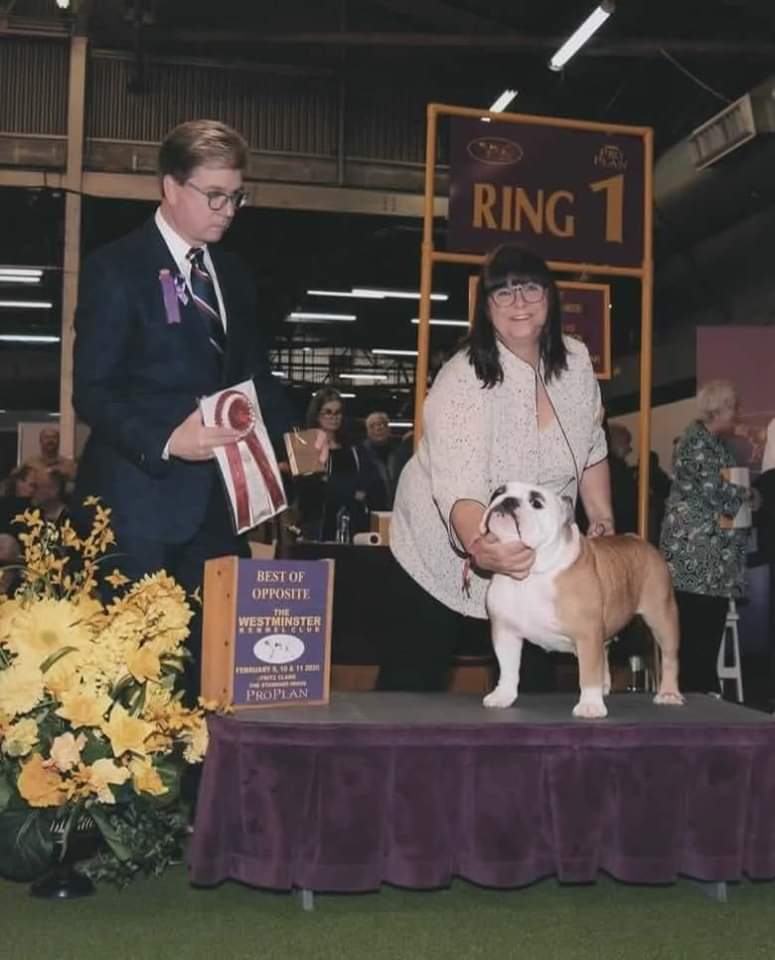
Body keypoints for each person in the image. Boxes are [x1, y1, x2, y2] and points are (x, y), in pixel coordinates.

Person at [72, 118, 319, 700]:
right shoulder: (115, 268)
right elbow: (92, 391)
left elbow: (251, 375)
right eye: (215, 195)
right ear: (170, 187)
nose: (228, 209)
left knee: (213, 680)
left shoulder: (231, 273)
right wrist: (167, 440)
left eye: (237, 196)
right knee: (133, 687)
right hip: (135, 511)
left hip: (217, 510)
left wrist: (295, 436)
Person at [381, 243, 612, 691]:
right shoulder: (461, 379)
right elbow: (459, 485)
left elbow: (593, 448)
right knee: (410, 692)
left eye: (530, 289)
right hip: (440, 555)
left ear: (551, 296)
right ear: (486, 308)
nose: (519, 303)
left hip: (539, 558)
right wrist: (479, 544)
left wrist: (602, 519)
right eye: (503, 293)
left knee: (535, 696)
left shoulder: (578, 361)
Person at [660, 379, 750, 694]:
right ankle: (695, 690)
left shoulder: (714, 443)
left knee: (707, 623)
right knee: (697, 624)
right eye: (734, 407)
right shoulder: (698, 443)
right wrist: (750, 497)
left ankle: (702, 687)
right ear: (719, 409)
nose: (737, 413)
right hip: (695, 557)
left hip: (711, 559)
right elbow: (718, 494)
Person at [295, 388, 385, 541]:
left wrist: (330, 482)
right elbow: (309, 490)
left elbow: (373, 481)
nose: (333, 417)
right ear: (317, 415)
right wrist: (351, 491)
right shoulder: (304, 445)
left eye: (338, 412)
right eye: (328, 412)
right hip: (317, 529)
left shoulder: (354, 447)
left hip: (354, 527)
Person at [362, 410, 400, 508]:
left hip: (397, 509)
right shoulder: (361, 455)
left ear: (388, 429)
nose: (378, 428)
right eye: (372, 426)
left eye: (382, 424)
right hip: (369, 511)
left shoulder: (400, 454)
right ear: (367, 432)